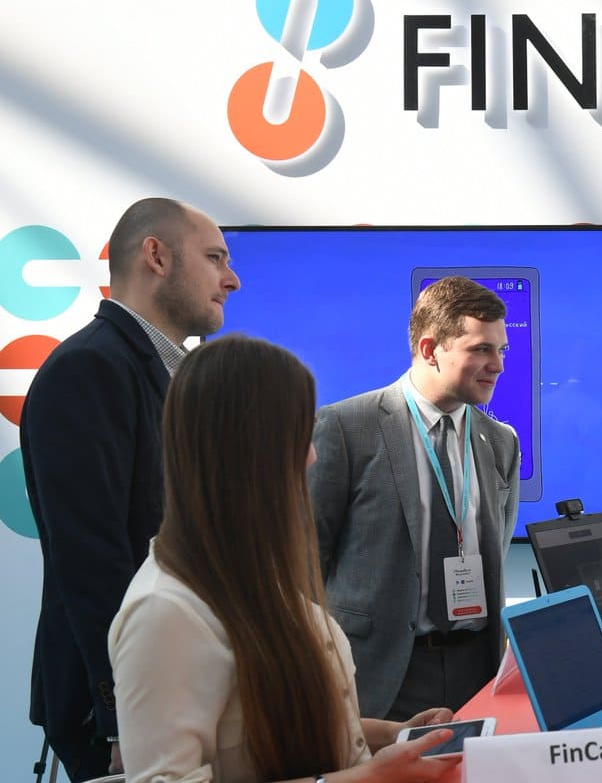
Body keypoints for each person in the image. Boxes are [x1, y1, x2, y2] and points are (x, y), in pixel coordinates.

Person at [109, 335, 459, 783]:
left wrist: (391, 735)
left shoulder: (247, 573)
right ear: (249, 450)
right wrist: (365, 778)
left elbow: (268, 728)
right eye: (298, 435)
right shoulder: (165, 613)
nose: (311, 456)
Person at [20, 197, 240, 781]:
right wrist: (122, 717)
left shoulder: (169, 374)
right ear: (156, 257)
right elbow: (91, 559)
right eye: (215, 258)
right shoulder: (89, 369)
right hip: (128, 708)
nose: (232, 279)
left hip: (179, 684)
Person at [309, 276, 520, 719]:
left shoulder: (501, 441)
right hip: (378, 674)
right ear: (430, 350)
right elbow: (306, 561)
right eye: (482, 349)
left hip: (477, 669)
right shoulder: (346, 428)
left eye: (501, 349)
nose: (498, 365)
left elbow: (495, 551)